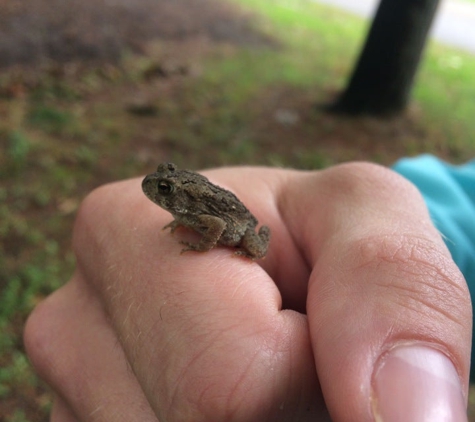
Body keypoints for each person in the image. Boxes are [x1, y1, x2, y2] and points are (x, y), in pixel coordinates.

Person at [24, 158, 474, 422]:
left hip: (241, 225)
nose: (157, 191)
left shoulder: (203, 211)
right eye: (163, 185)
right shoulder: (186, 203)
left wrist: (203, 246)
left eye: (163, 189)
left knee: (249, 250)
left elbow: (220, 224)